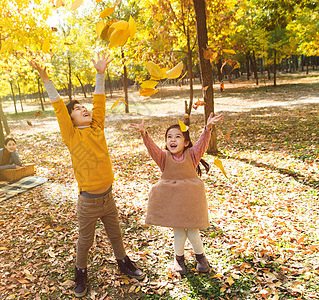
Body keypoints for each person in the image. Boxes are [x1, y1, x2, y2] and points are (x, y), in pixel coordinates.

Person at [30, 53, 144, 298]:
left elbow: (99, 100)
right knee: (85, 241)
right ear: (71, 120)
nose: (83, 109)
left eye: (84, 107)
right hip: (89, 202)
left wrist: (100, 73)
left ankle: (123, 262)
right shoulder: (71, 136)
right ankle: (80, 271)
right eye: (78, 109)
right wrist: (45, 78)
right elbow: (59, 108)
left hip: (108, 198)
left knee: (116, 235)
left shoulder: (97, 127)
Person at [130, 113, 223, 275]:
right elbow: (152, 149)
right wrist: (144, 135)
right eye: (169, 137)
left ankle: (201, 258)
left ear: (186, 142)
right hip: (174, 202)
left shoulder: (192, 155)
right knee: (179, 232)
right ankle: (179, 259)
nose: (172, 140)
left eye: (177, 137)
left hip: (191, 202)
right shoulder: (163, 158)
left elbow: (202, 144)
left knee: (193, 232)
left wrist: (207, 128)